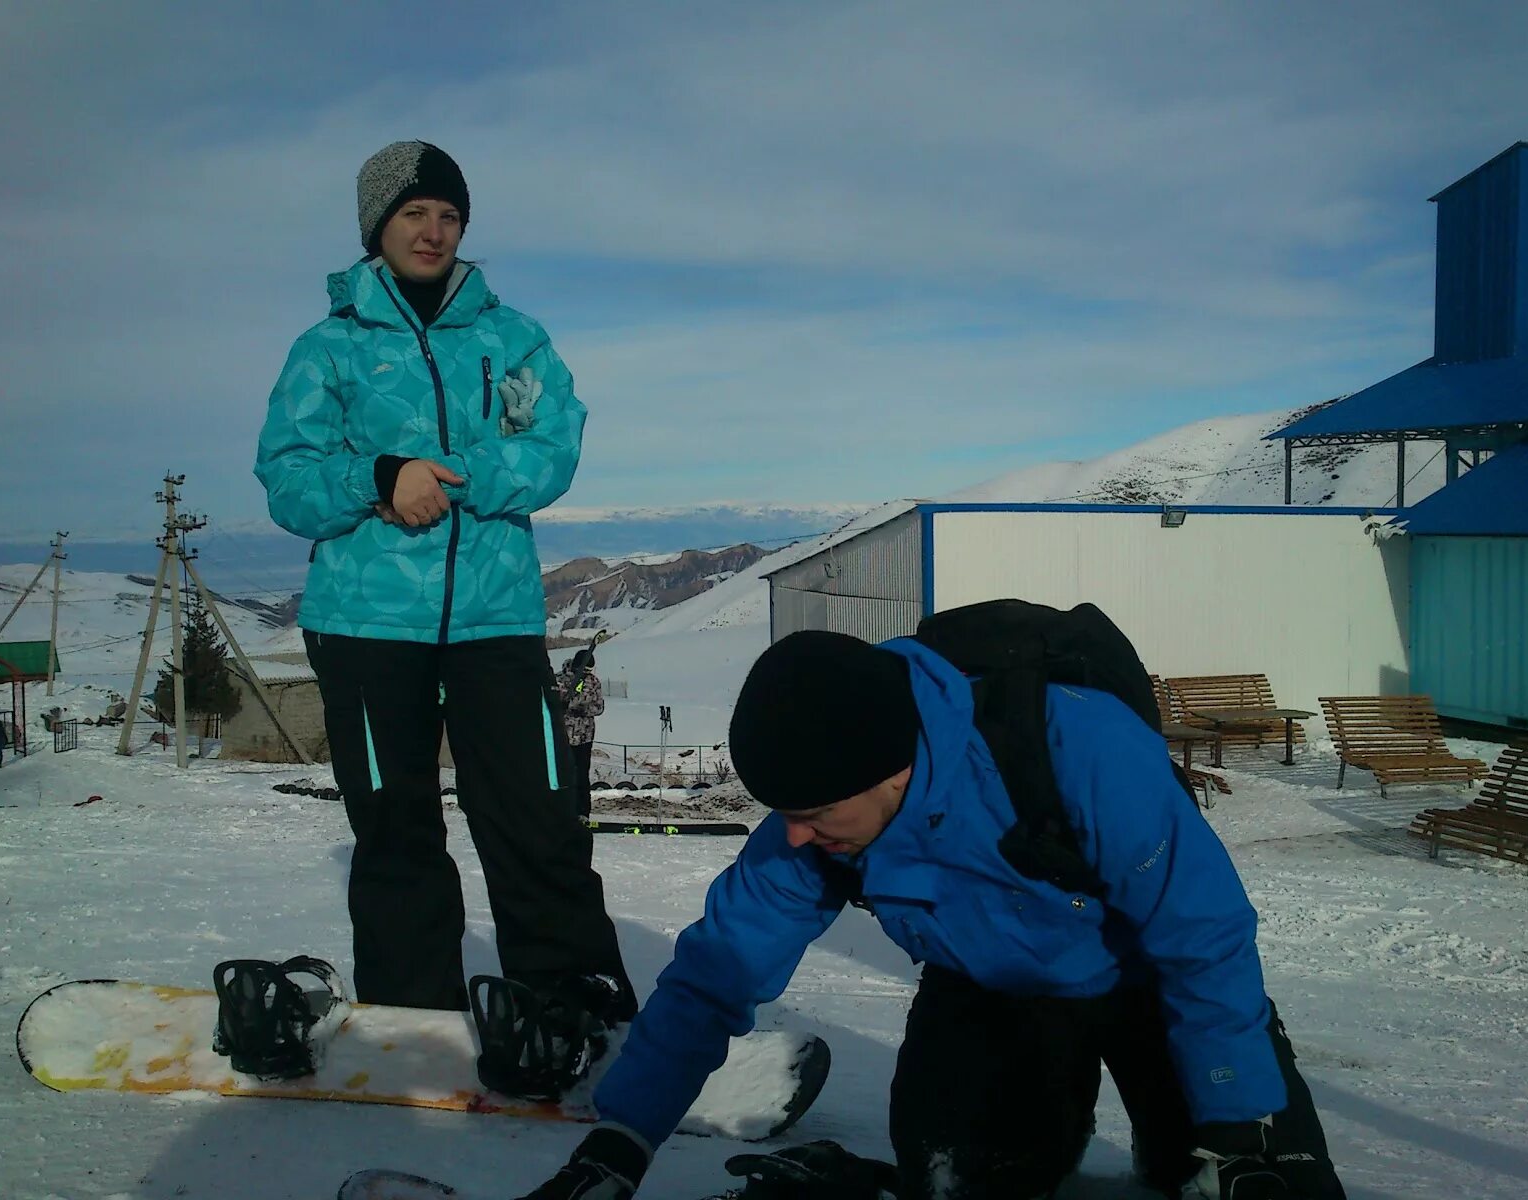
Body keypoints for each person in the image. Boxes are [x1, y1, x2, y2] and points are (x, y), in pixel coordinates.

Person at [519, 629, 1346, 1200]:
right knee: (959, 1182)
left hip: (1155, 988)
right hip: (990, 996)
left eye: (811, 810)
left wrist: (1238, 1124)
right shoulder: (817, 830)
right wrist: (622, 1140)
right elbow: (715, 973)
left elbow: (1201, 940)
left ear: (891, 771)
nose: (794, 834)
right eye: (785, 813)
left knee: (1245, 1181)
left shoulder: (1079, 749)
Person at [253, 140, 635, 1026]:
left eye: (449, 216)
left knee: (537, 820)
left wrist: (448, 476)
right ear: (375, 227)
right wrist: (380, 479)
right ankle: (410, 1022)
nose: (433, 232)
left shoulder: (512, 337)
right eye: (414, 214)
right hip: (364, 628)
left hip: (494, 621)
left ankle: (575, 1002)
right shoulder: (328, 348)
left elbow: (552, 448)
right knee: (395, 833)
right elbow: (289, 480)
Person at [555, 645, 605, 819]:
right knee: (562, 774)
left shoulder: (593, 682)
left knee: (582, 774)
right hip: (563, 735)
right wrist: (561, 705)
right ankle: (561, 810)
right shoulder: (558, 680)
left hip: (584, 736)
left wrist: (581, 709)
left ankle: (583, 811)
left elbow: (599, 707)